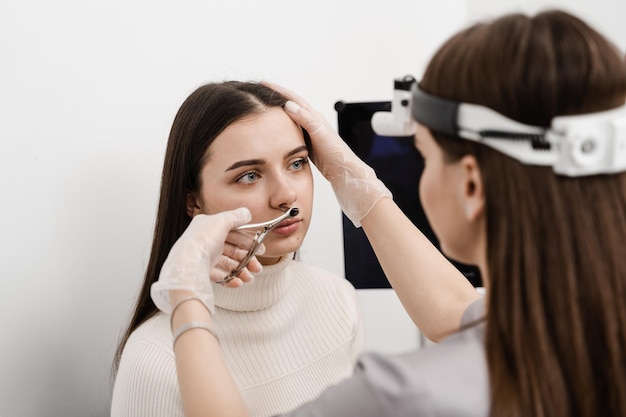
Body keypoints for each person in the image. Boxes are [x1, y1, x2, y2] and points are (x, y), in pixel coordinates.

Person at [151, 9, 626, 417]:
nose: (285, 194)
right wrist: (355, 185)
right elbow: (456, 314)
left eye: (422, 153)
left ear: (471, 184)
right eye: (250, 174)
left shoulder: (404, 396)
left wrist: (187, 298)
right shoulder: (590, 327)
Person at [111, 81, 369, 417]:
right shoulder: (153, 358)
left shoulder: (339, 299)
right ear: (193, 201)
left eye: (296, 163)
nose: (286, 196)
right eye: (249, 176)